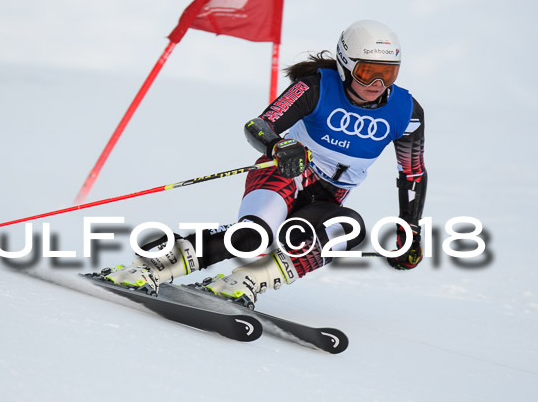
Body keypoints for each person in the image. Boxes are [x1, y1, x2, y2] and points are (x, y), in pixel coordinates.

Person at [101, 19, 427, 309]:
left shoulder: (407, 111)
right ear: (345, 64)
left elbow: (412, 172)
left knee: (348, 228)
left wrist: (409, 229)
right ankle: (150, 267)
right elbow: (259, 125)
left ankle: (246, 281)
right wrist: (277, 145)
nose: (377, 86)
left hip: (328, 197)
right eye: (368, 73)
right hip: (287, 172)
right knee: (254, 235)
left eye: (388, 74)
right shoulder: (315, 86)